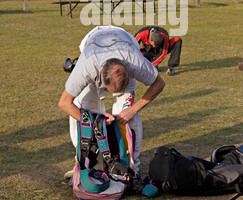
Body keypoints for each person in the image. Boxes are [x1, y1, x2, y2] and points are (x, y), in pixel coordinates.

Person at [58, 25, 165, 174]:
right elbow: (64, 103)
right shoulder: (86, 67)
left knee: (126, 116)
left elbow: (159, 83)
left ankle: (132, 165)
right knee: (85, 108)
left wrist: (132, 110)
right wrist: (94, 120)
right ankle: (83, 160)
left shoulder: (134, 62)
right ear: (101, 77)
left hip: (126, 42)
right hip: (93, 42)